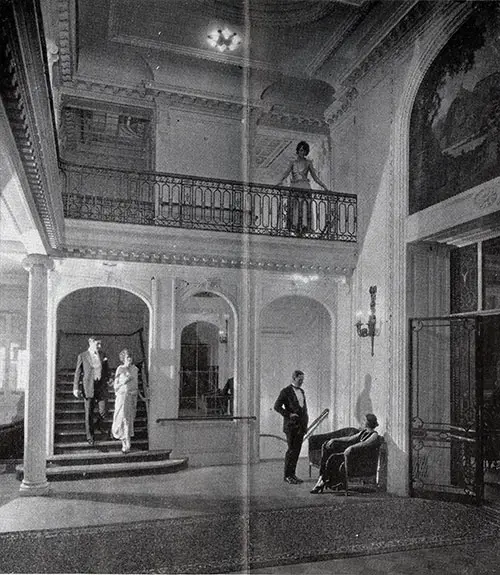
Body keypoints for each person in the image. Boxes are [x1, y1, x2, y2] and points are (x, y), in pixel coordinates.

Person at [310, 413, 379, 493]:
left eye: (364, 420)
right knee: (330, 452)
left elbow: (364, 443)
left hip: (359, 459)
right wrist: (335, 439)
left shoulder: (374, 435)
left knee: (333, 458)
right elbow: (349, 439)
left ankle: (323, 480)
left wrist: (351, 447)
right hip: (351, 455)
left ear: (368, 423)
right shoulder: (363, 432)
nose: (362, 422)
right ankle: (323, 479)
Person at [277, 141, 329, 235]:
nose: (302, 152)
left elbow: (315, 177)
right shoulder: (293, 162)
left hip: (305, 186)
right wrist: (278, 182)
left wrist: (324, 186)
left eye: (304, 150)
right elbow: (286, 173)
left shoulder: (308, 163)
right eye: (301, 150)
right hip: (294, 186)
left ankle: (304, 226)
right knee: (295, 207)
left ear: (306, 152)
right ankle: (295, 226)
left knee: (305, 207)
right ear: (298, 150)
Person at [73, 336, 111, 446]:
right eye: (97, 344)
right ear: (91, 343)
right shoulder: (82, 356)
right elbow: (78, 372)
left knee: (103, 410)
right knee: (89, 413)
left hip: (101, 386)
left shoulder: (103, 355)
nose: (99, 346)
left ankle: (98, 424)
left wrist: (109, 378)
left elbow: (107, 369)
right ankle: (90, 436)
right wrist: (76, 387)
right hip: (88, 386)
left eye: (100, 344)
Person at [274, 370, 309, 484]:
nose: (301, 382)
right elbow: (276, 406)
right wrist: (289, 414)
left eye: (303, 380)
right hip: (291, 426)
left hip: (301, 426)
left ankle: (293, 475)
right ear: (294, 378)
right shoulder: (285, 391)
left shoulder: (302, 391)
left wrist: (305, 424)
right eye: (300, 380)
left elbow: (304, 409)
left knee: (297, 451)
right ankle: (287, 476)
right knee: (291, 451)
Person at [111, 349, 139, 453]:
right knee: (121, 418)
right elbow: (116, 385)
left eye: (130, 357)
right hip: (122, 397)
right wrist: (125, 379)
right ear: (123, 359)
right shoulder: (120, 369)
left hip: (131, 396)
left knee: (128, 419)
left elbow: (135, 383)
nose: (129, 359)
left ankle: (128, 441)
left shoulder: (135, 369)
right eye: (127, 357)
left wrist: (133, 392)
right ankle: (124, 441)